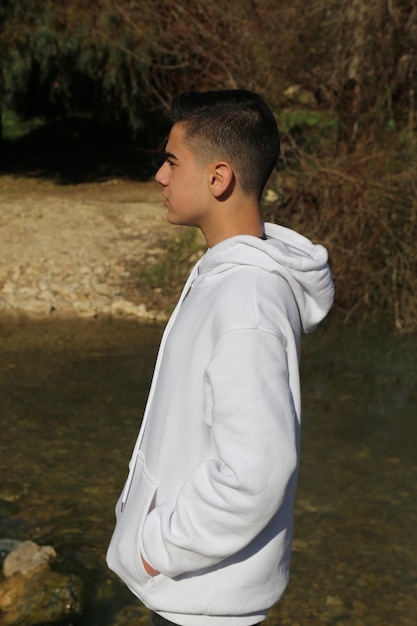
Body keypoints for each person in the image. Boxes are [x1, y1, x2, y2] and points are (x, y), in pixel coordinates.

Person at [107, 90, 334, 626]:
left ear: (219, 178)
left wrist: (157, 548)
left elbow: (257, 470)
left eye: (171, 161)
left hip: (202, 603)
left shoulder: (245, 300)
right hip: (195, 595)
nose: (160, 177)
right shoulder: (226, 277)